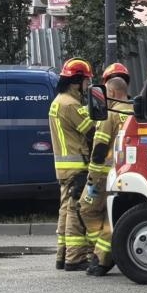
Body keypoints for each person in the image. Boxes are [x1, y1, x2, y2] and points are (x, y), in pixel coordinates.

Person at [83, 62, 132, 277]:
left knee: (87, 209)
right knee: (112, 216)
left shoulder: (109, 113)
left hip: (104, 174)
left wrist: (92, 179)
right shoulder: (135, 110)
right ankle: (102, 254)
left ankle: (102, 256)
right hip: (128, 172)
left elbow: (99, 148)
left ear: (110, 91)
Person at [48, 59, 95, 271]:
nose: (87, 85)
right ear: (76, 81)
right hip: (77, 166)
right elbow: (92, 132)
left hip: (64, 167)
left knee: (66, 210)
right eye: (86, 81)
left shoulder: (58, 101)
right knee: (76, 211)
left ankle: (62, 256)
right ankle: (75, 259)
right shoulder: (71, 105)